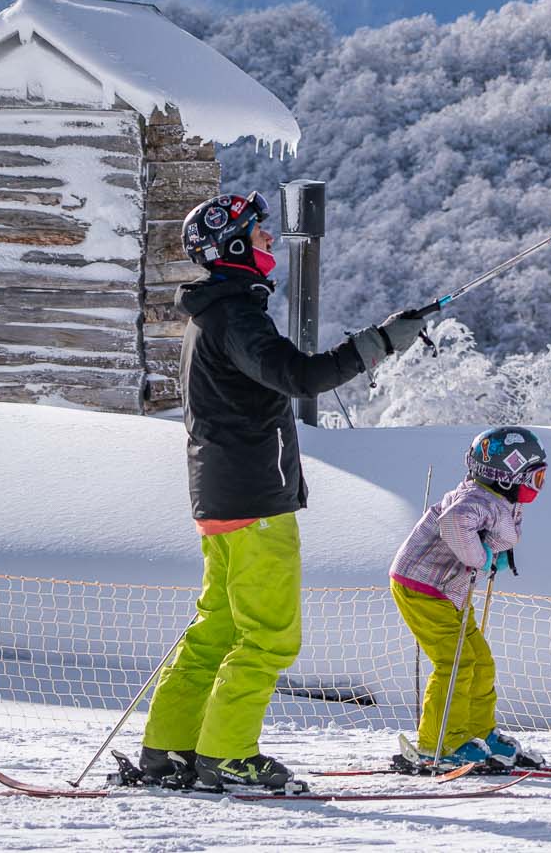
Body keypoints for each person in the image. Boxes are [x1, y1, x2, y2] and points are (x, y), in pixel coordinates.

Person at [135, 191, 434, 792]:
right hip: (255, 503)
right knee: (269, 636)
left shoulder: (212, 314)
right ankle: (228, 755)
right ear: (234, 246)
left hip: (220, 498)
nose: (269, 239)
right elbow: (301, 377)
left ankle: (169, 750)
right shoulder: (237, 317)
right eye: (258, 231)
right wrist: (379, 343)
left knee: (218, 629)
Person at [389, 426, 549, 771]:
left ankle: (478, 733)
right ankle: (441, 743)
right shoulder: (477, 499)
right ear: (506, 474)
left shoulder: (495, 499)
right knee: (457, 662)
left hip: (448, 590)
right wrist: (479, 557)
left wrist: (494, 553)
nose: (537, 486)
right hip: (423, 587)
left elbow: (492, 532)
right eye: (534, 477)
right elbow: (454, 522)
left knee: (480, 660)